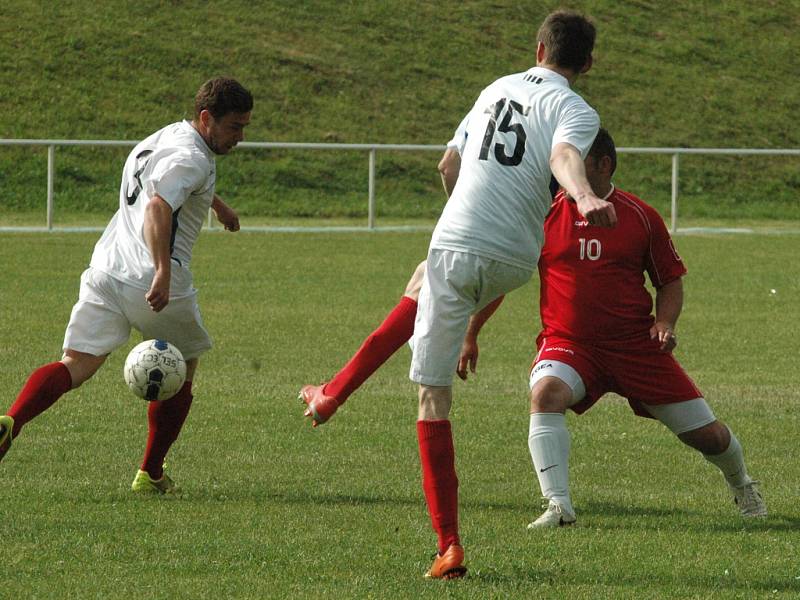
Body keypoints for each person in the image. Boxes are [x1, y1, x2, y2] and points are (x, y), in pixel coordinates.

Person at [460, 128, 767, 529]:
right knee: (546, 394)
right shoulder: (544, 214)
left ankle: (741, 483)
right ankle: (559, 507)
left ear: (603, 165)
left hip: (636, 348)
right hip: (569, 344)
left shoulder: (640, 216)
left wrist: (664, 322)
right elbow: (507, 276)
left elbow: (669, 281)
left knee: (707, 436)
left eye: (575, 161)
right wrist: (471, 331)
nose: (563, 169)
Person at [0, 77, 253, 495]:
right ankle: (151, 473)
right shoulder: (192, 158)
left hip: (106, 267)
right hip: (150, 278)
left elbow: (170, 183)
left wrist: (218, 206)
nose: (240, 137)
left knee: (75, 364)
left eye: (244, 126)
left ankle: (11, 421)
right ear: (207, 118)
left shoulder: (169, 136)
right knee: (184, 367)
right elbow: (158, 204)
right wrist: (162, 271)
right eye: (234, 127)